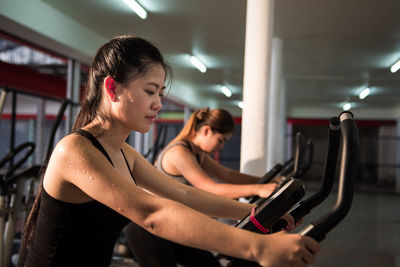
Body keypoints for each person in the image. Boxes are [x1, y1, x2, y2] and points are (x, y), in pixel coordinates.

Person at [21, 35, 320, 267]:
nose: (159, 105)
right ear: (112, 89)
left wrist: (259, 214)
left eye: (160, 94)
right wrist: (259, 247)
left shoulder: (125, 154)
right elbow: (152, 212)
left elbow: (184, 195)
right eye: (150, 92)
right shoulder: (73, 150)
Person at [124, 107, 296, 267]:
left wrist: (267, 182)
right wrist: (258, 189)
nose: (220, 148)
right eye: (220, 141)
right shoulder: (179, 153)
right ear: (206, 131)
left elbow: (228, 175)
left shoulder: (197, 154)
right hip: (147, 227)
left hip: (170, 222)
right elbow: (210, 188)